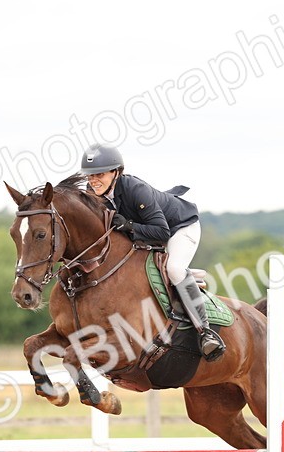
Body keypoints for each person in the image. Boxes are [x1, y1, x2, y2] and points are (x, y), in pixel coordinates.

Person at [79, 144, 225, 362]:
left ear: (116, 172)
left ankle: (205, 332)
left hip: (179, 228)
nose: (93, 180)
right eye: (90, 176)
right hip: (149, 234)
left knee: (174, 269)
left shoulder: (134, 189)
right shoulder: (93, 194)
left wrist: (128, 226)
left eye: (99, 174)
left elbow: (162, 232)